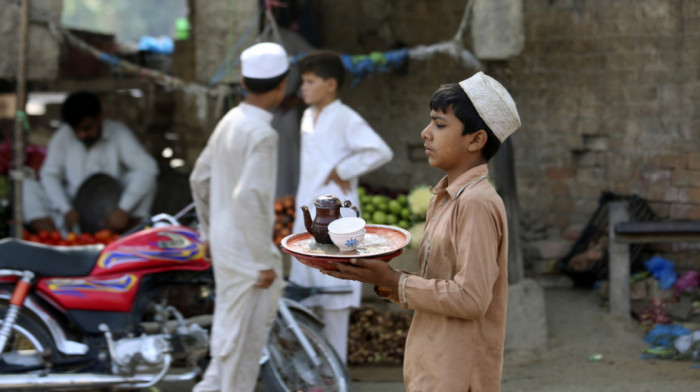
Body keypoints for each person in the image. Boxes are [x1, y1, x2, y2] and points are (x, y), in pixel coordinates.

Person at [322, 71, 522, 391]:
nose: (425, 133)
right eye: (430, 122)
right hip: (432, 366)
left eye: (440, 125)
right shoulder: (444, 198)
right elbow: (437, 285)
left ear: (476, 140)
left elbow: (471, 299)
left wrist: (394, 280)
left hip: (458, 375)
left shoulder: (476, 203)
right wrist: (383, 278)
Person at [189, 42, 288, 392]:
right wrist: (263, 261)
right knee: (240, 353)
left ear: (244, 84)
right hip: (248, 250)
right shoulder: (262, 134)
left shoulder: (230, 120)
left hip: (225, 242)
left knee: (226, 347)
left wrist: (207, 233)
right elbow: (247, 197)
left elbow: (198, 179)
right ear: (282, 85)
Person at [289, 50, 393, 363]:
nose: (303, 87)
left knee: (334, 300)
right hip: (306, 212)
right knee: (305, 299)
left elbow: (380, 151)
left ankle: (336, 376)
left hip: (337, 215)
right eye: (303, 81)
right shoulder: (307, 117)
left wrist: (344, 170)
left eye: (310, 81)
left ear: (331, 84)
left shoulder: (346, 116)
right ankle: (309, 373)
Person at [38, 91, 158, 233]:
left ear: (100, 117)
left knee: (146, 181)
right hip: (74, 213)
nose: (81, 135)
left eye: (87, 128)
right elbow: (49, 175)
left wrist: (123, 209)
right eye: (76, 130)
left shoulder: (118, 132)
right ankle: (51, 239)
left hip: (114, 211)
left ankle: (133, 234)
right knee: (27, 187)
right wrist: (66, 209)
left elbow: (148, 168)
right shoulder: (63, 136)